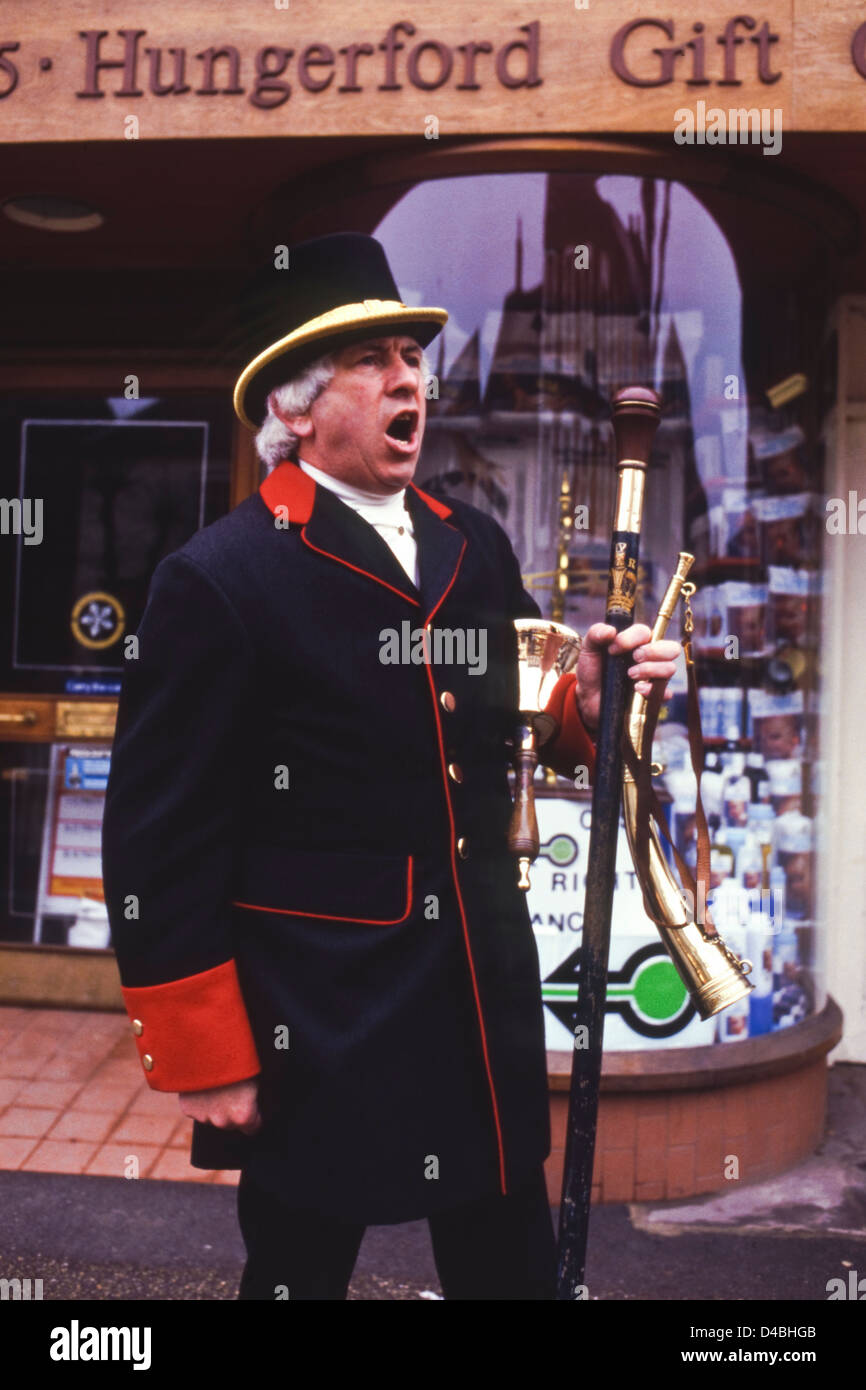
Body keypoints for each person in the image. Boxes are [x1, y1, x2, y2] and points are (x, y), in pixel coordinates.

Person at [101, 233, 679, 1301]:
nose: (408, 376)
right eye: (372, 359)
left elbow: (526, 713)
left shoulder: (474, 545)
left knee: (507, 1267)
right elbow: (156, 836)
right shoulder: (219, 578)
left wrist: (587, 703)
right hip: (319, 1009)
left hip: (474, 982)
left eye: (410, 357)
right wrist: (202, 1049)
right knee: (300, 1268)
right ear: (296, 406)